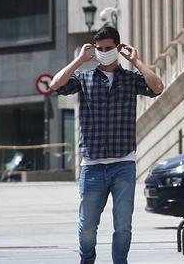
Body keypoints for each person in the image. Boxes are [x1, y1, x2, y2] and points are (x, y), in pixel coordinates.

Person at [49, 24, 165, 264]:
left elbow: (157, 87)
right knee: (87, 227)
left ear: (118, 48)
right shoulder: (84, 78)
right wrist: (80, 60)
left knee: (123, 225)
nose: (104, 51)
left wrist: (137, 61)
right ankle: (87, 259)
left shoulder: (131, 79)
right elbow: (56, 85)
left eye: (109, 48)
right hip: (92, 165)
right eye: (100, 48)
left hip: (123, 163)